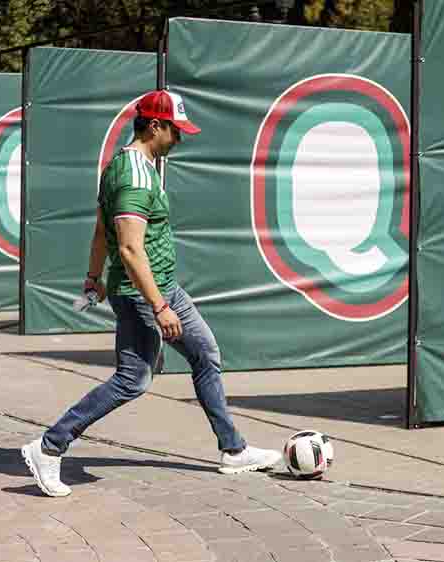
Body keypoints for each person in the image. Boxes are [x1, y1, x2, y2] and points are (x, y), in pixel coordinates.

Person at [22, 89, 281, 497]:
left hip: (162, 288)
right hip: (146, 295)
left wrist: (93, 277)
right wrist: (158, 305)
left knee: (205, 355)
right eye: (176, 131)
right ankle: (49, 446)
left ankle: (233, 449)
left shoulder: (124, 166)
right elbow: (127, 247)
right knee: (132, 381)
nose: (180, 139)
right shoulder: (134, 177)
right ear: (155, 126)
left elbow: (99, 229)